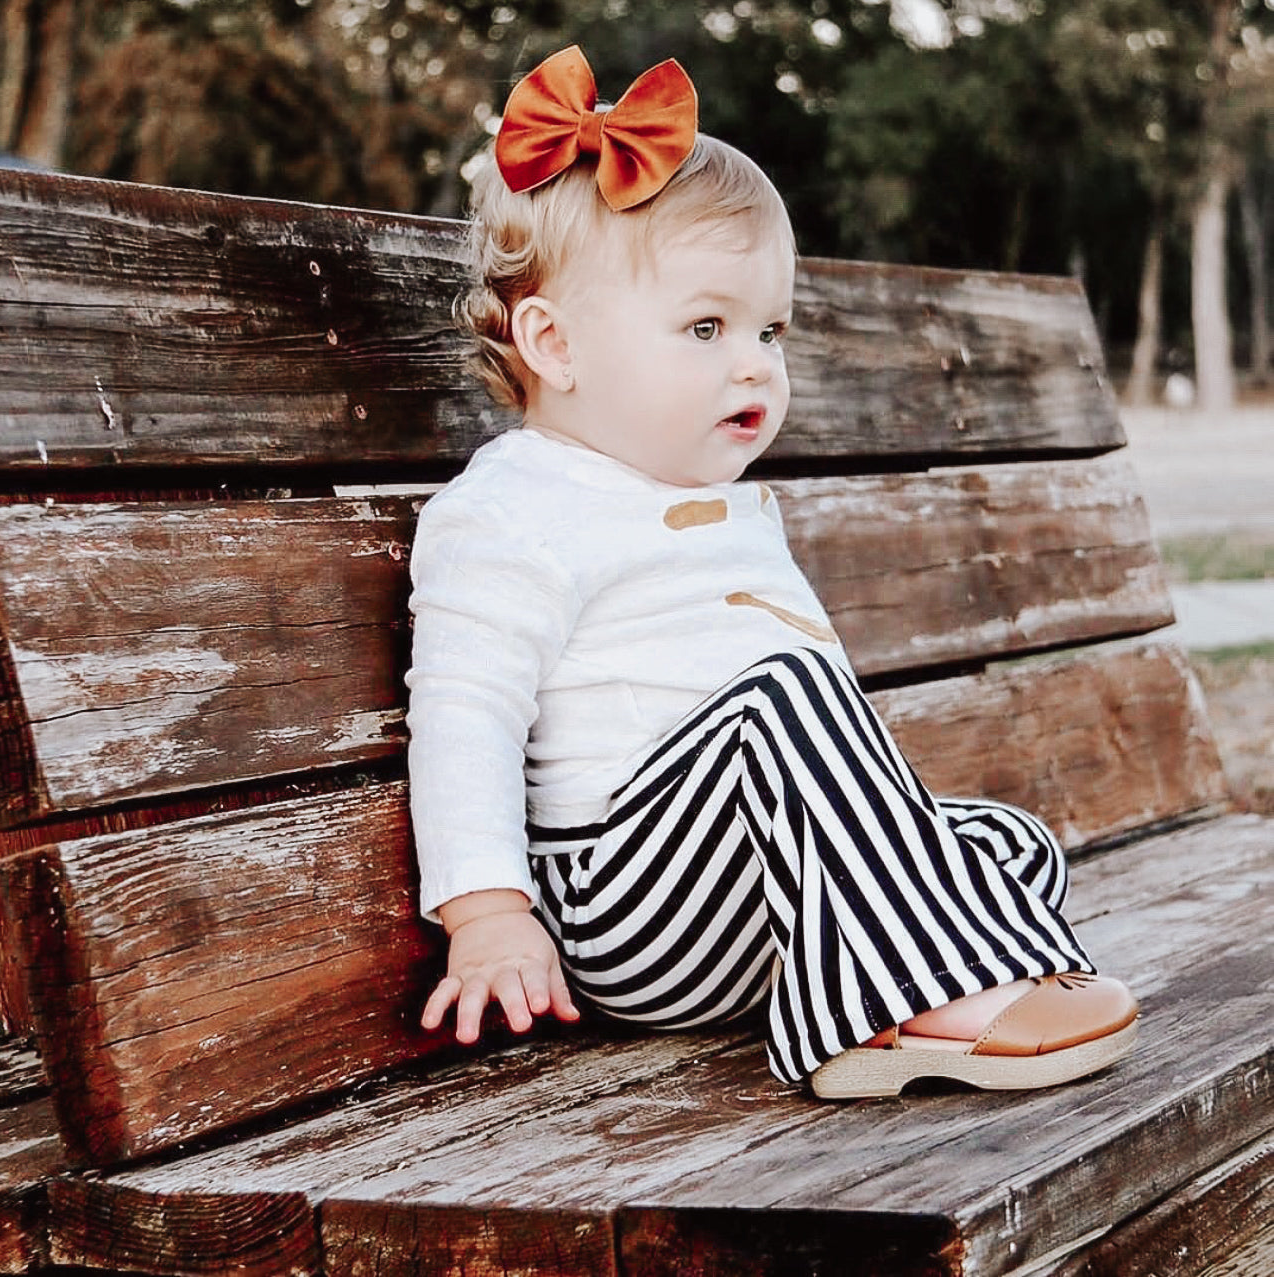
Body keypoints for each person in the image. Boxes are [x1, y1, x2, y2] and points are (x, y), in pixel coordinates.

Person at [405, 44, 1138, 1097]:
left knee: (1003, 840)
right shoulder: (513, 507)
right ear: (554, 345)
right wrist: (486, 912)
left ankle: (862, 983)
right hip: (624, 902)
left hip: (745, 905)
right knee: (781, 696)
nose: (754, 361)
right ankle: (913, 1002)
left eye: (770, 330)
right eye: (706, 327)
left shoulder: (729, 503)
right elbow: (464, 715)